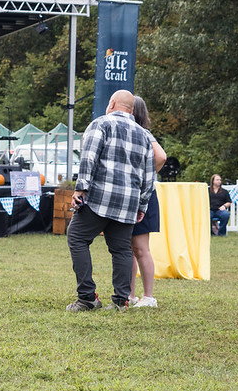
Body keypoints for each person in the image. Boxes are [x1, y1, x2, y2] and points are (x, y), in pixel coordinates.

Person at [66, 90, 155, 312]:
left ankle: (87, 298)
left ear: (112, 103)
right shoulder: (144, 135)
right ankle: (121, 302)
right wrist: (142, 205)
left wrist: (81, 189)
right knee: (122, 250)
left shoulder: (101, 124)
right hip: (128, 203)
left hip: (99, 198)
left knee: (77, 237)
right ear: (131, 109)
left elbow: (89, 158)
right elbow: (149, 175)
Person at [128, 96, 167, 308]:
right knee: (128, 248)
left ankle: (149, 296)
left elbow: (161, 156)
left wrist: (146, 176)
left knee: (141, 248)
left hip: (144, 196)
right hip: (130, 196)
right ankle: (131, 295)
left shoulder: (143, 133)